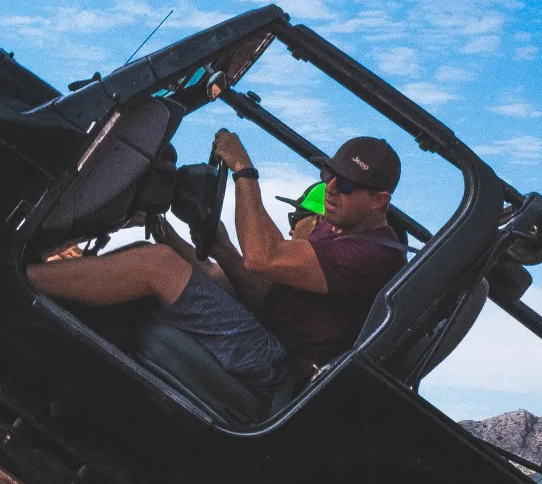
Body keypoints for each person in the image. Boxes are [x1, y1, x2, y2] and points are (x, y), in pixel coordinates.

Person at [26, 132, 407, 406]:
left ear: (379, 200)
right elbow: (252, 287)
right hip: (266, 335)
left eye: (349, 184)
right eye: (330, 174)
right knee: (153, 253)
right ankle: (33, 293)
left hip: (279, 370)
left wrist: (243, 169)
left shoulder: (375, 256)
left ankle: (12, 279)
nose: (332, 189)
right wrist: (204, 243)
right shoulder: (333, 228)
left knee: (156, 266)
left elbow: (264, 258)